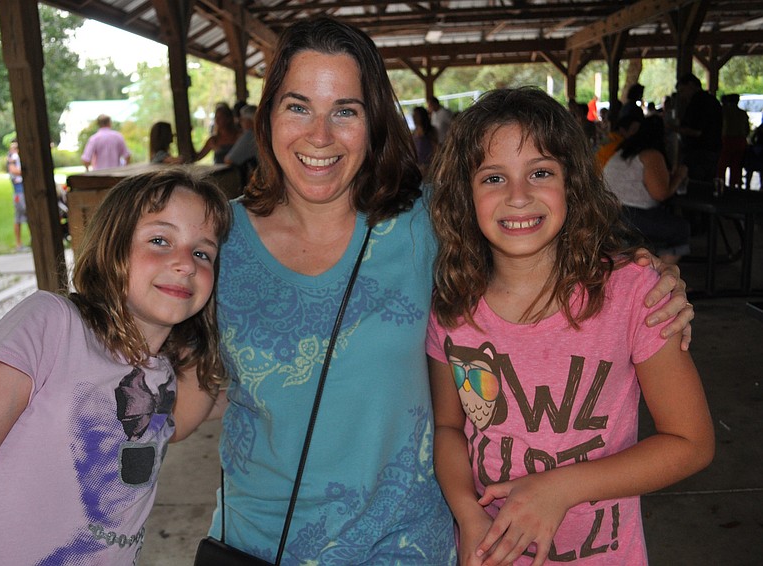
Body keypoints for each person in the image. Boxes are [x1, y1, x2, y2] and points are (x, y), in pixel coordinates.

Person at [210, 17, 694, 565]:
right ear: (267, 114)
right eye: (298, 106)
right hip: (256, 543)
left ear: (375, 124)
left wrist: (646, 275)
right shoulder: (214, 241)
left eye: (346, 110)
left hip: (402, 547)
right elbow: (174, 381)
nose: (320, 135)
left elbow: (526, 217)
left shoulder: (426, 222)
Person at [426, 87, 714, 566]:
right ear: (464, 196)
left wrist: (558, 489)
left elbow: (692, 442)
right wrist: (467, 515)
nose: (519, 197)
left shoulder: (634, 293)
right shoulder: (452, 310)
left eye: (540, 172)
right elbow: (449, 427)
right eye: (494, 177)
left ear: (572, 184)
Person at [0, 167, 231, 565]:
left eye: (203, 253)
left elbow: (187, 418)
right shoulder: (52, 324)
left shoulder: (161, 376)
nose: (185, 263)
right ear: (111, 247)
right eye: (160, 240)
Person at [603, 115, 691, 264]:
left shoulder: (623, 151)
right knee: (681, 229)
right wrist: (680, 176)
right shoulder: (651, 154)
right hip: (629, 215)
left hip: (606, 212)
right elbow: (661, 194)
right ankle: (661, 279)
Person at [673, 73, 722, 196]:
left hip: (698, 153)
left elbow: (696, 131)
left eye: (683, 90)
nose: (683, 95)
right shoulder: (713, 101)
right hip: (713, 150)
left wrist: (675, 128)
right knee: (707, 188)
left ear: (691, 85)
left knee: (694, 189)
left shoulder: (697, 102)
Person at [718, 93, 750, 189]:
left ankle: (720, 183)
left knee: (722, 164)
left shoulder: (724, 111)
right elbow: (747, 129)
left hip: (726, 140)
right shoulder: (742, 113)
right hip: (740, 141)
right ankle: (734, 185)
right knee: (736, 165)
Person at [224, 103, 258, 181]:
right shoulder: (263, 132)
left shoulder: (251, 135)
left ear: (249, 121)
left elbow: (229, 160)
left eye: (242, 120)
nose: (240, 123)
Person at [6, 140, 27, 251]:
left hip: (23, 189)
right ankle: (18, 244)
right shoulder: (13, 157)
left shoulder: (15, 156)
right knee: (19, 217)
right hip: (19, 191)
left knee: (26, 216)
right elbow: (13, 170)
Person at [412, 105, 439, 178]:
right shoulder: (414, 133)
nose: (414, 117)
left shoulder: (431, 131)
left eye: (416, 115)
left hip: (429, 168)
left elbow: (436, 150)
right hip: (418, 168)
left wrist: (432, 167)